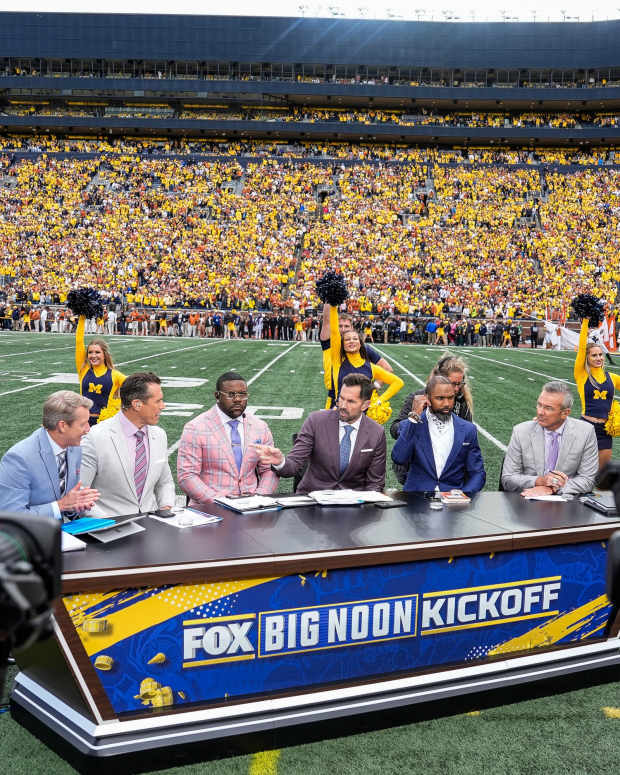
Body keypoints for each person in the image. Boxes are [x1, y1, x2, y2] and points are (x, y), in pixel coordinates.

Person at [254, 373, 387, 494]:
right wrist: (281, 461)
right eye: (341, 398)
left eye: (351, 401)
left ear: (365, 405)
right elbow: (294, 464)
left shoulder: (377, 432)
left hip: (353, 506)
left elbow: (375, 483)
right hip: (312, 502)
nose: (343, 405)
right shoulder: (315, 421)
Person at [177, 371, 278, 507]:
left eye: (242, 394)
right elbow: (187, 476)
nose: (238, 399)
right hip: (210, 510)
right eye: (231, 395)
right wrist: (221, 502)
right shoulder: (195, 428)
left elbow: (268, 470)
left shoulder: (260, 427)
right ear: (217, 396)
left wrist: (259, 497)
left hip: (252, 508)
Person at [80, 372, 175, 516]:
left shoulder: (159, 435)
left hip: (153, 525)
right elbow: (80, 494)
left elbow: (165, 482)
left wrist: (166, 507)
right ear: (137, 404)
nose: (163, 406)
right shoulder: (95, 437)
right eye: (158, 401)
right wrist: (109, 525)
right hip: (110, 529)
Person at [0, 391, 99, 519]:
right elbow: (10, 516)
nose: (88, 429)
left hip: (67, 532)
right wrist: (60, 506)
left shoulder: (74, 448)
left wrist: (78, 503)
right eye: (83, 424)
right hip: (33, 537)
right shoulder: (19, 459)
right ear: (62, 426)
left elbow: (68, 498)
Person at [391, 375, 486, 496]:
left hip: (453, 503)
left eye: (451, 398)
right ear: (427, 398)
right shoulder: (410, 424)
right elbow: (399, 457)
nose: (447, 403)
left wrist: (463, 495)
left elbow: (477, 473)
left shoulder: (468, 429)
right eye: (440, 398)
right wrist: (413, 418)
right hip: (416, 500)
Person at [501, 381, 598, 496]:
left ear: (565, 413)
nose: (540, 412)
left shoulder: (585, 432)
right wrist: (538, 481)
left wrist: (552, 489)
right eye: (539, 405)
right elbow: (508, 478)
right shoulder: (521, 431)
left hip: (566, 503)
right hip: (527, 499)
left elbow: (588, 480)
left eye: (548, 408)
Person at [390, 355, 474, 485]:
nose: (457, 389)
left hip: (449, 475)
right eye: (453, 383)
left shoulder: (461, 403)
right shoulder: (418, 398)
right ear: (438, 379)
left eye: (460, 383)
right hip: (415, 469)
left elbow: (468, 442)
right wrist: (414, 417)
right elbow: (394, 430)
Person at [321, 304, 403, 409]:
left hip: (360, 400)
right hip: (335, 397)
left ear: (352, 328)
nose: (343, 329)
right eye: (340, 326)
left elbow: (388, 369)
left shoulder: (362, 348)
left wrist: (373, 388)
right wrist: (330, 300)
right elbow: (327, 322)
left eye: (346, 326)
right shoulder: (332, 345)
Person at [573, 318, 620, 470]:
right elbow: (581, 348)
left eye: (600, 354)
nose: (599, 358)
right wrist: (585, 321)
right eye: (594, 355)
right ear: (586, 357)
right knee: (581, 470)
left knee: (601, 473)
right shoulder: (582, 375)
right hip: (586, 426)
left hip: (605, 429)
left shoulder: (612, 378)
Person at [75, 314, 125, 426]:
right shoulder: (83, 370)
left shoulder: (115, 375)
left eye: (97, 352)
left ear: (104, 355)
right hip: (83, 422)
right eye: (90, 352)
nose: (93, 355)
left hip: (105, 423)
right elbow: (79, 341)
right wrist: (82, 317)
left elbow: (135, 386)